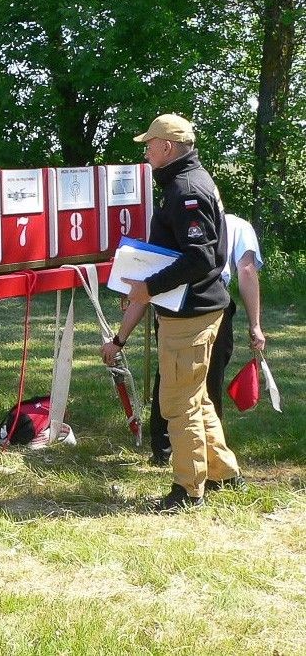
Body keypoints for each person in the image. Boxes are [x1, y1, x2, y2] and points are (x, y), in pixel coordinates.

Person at [101, 113, 243, 512]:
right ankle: (223, 473)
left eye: (149, 145)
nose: (146, 152)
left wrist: (148, 286)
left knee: (178, 403)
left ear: (167, 147)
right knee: (196, 398)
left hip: (190, 312)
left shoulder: (184, 189)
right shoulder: (193, 180)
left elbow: (198, 257)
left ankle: (188, 489)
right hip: (203, 306)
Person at [148, 213, 266, 463]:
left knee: (169, 373)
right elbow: (246, 270)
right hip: (211, 301)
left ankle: (163, 447)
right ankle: (207, 449)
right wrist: (255, 324)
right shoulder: (238, 226)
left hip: (173, 300)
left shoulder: (176, 220)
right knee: (210, 377)